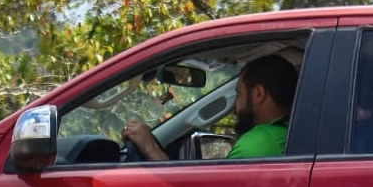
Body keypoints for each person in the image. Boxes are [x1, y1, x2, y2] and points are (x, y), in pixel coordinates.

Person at [122, 54, 298, 161]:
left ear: (258, 94)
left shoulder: (257, 145)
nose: (235, 107)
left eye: (239, 94)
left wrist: (150, 148)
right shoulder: (288, 134)